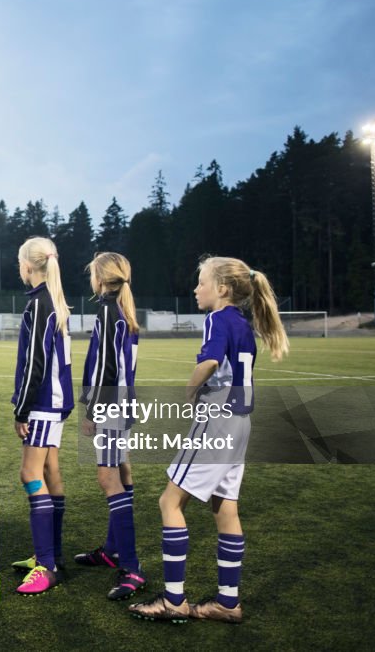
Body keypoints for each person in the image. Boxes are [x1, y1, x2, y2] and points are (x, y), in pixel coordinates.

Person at [129, 256, 288, 624]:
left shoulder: (217, 318)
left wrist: (190, 389)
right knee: (225, 507)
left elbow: (211, 361)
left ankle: (173, 600)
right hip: (241, 422)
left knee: (170, 501)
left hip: (217, 422)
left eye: (201, 282)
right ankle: (227, 603)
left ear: (222, 289)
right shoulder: (243, 323)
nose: (195, 289)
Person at [77, 252, 146, 601]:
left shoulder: (107, 310)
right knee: (121, 470)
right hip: (124, 403)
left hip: (111, 406)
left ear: (100, 278)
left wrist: (92, 410)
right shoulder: (124, 311)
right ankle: (112, 550)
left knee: (107, 478)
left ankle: (132, 568)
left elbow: (105, 366)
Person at [8, 237, 73, 596]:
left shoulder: (38, 304)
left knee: (30, 473)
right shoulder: (56, 301)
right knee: (50, 471)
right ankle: (53, 555)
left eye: (20, 263)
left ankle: (46, 565)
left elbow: (36, 363)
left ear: (28, 267)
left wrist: (22, 409)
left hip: (43, 403)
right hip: (56, 403)